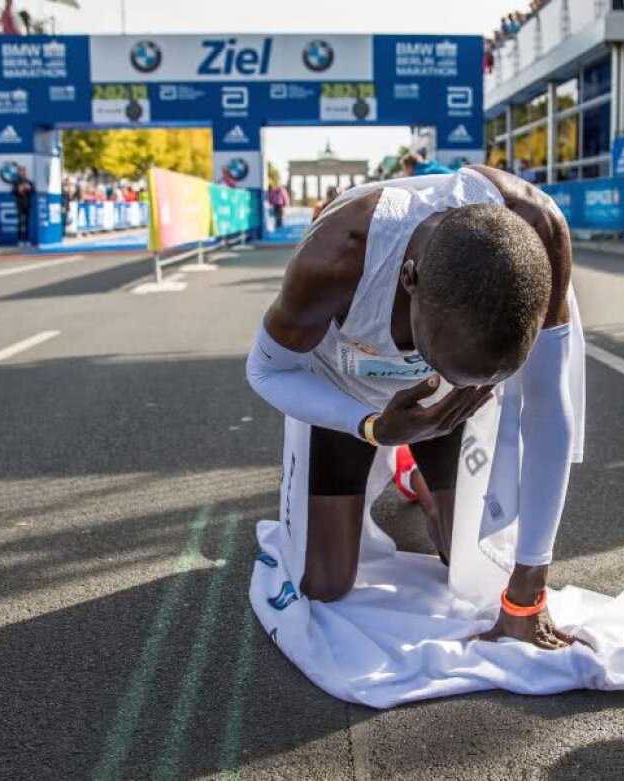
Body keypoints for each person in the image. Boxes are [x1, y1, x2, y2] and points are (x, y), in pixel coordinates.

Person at [245, 164, 580, 649]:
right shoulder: (336, 257)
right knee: (326, 584)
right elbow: (265, 371)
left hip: (450, 409)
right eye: (435, 357)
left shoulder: (540, 231)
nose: (432, 369)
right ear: (408, 279)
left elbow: (548, 408)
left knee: (474, 567)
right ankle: (396, 453)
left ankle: (415, 476)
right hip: (349, 394)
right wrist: (372, 426)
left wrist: (528, 593)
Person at [12, 165, 35, 247]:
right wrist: (19, 190)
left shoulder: (28, 181)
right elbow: (13, 192)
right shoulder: (16, 182)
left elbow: (33, 190)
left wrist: (29, 188)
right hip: (19, 204)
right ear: (19, 173)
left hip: (27, 204)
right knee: (20, 222)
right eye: (21, 172)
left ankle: (26, 239)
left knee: (26, 223)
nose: (23, 173)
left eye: (24, 172)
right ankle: (20, 240)